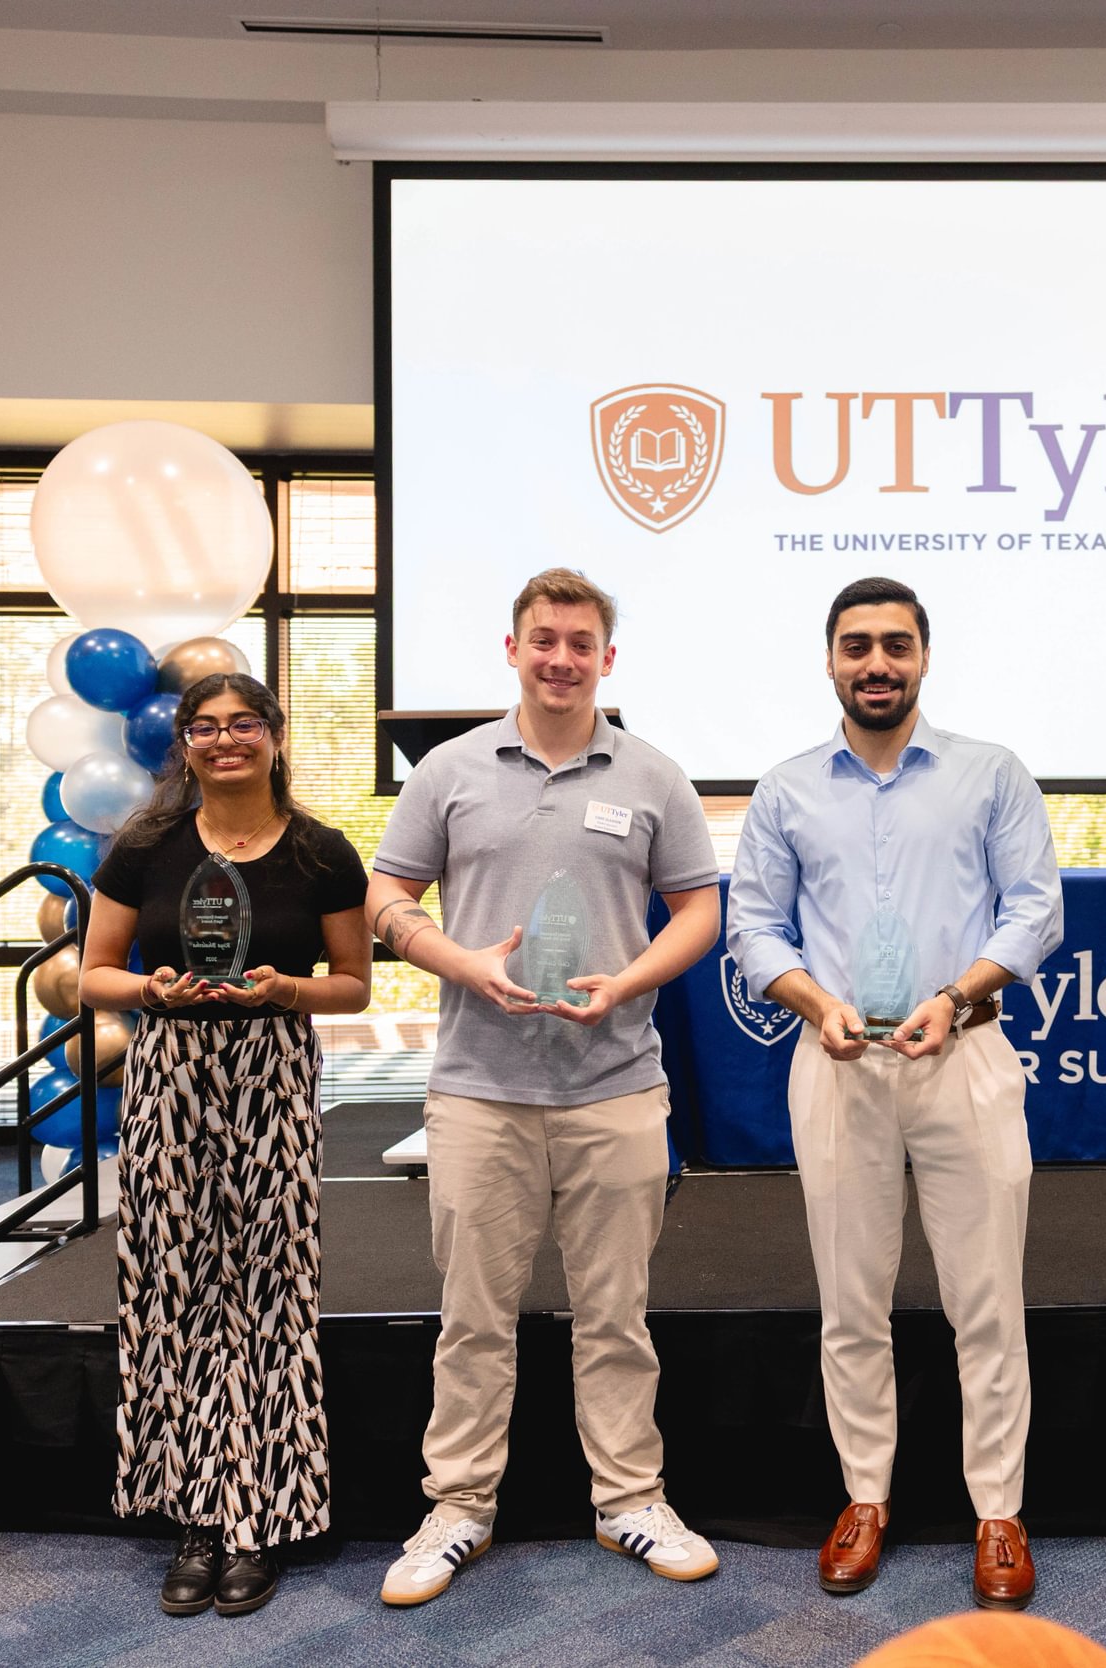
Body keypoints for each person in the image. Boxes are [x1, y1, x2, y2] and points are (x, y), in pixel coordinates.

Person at [365, 568, 724, 1605]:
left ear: (607, 659)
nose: (560, 657)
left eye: (580, 642)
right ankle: (459, 1507)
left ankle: (629, 1500)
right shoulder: (451, 769)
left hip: (615, 1086)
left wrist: (632, 979)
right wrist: (458, 959)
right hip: (481, 1089)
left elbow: (696, 912)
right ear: (511, 649)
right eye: (543, 639)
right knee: (473, 1316)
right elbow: (388, 894)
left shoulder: (653, 774)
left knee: (617, 1313)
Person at [727, 576, 1064, 1611]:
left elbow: (1036, 909)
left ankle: (997, 1510)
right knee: (850, 1301)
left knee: (986, 1301)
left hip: (959, 1052)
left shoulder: (989, 774)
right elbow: (752, 927)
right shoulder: (786, 790)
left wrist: (958, 997)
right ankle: (864, 1496)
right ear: (830, 659)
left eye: (896, 646)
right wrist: (809, 1000)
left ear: (924, 656)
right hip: (835, 1062)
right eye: (857, 646)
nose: (877, 663)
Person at [77, 672, 373, 1618]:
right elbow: (92, 976)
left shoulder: (324, 854)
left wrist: (284, 989)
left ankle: (264, 1515)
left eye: (243, 723)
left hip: (273, 1079)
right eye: (204, 728)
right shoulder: (145, 846)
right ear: (186, 746)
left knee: (271, 1290)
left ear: (275, 735)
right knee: (174, 1287)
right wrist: (151, 990)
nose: (224, 740)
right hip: (170, 1078)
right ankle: (196, 1518)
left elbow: (357, 986)